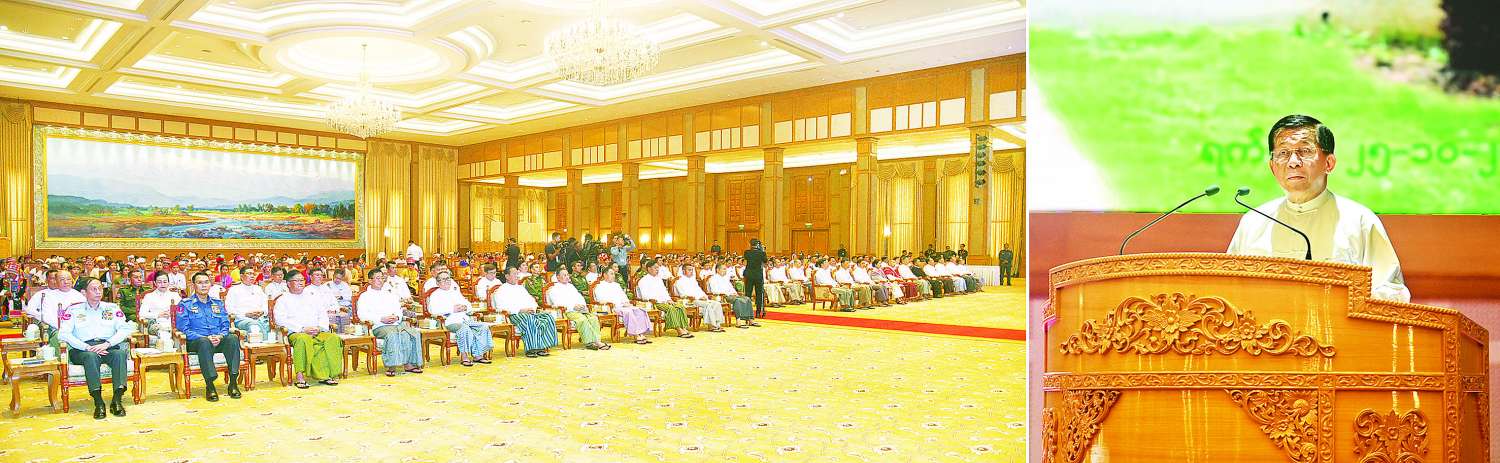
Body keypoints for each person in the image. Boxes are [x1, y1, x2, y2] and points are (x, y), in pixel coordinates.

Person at [1228, 114, 1410, 302]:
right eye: (1283, 153)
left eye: (1305, 151)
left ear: (1329, 163)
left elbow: (1392, 292)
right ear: (1272, 167)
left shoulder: (1359, 220)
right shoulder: (1254, 222)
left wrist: (1343, 302)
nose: (1293, 161)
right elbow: (1228, 288)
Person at [57, 277, 132, 419]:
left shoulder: (112, 308)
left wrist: (108, 343)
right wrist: (86, 347)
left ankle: (117, 400)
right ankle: (98, 402)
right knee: (91, 357)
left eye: (100, 288)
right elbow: (63, 334)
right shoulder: (73, 310)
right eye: (94, 289)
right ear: (84, 292)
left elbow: (125, 329)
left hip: (106, 346)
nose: (98, 292)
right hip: (82, 350)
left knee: (120, 354)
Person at [177, 271, 243, 402]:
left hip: (218, 339)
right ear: (193, 285)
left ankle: (233, 382)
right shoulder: (185, 304)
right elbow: (184, 328)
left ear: (210, 284)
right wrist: (205, 338)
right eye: (200, 283)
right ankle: (210, 385)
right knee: (204, 342)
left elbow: (225, 324)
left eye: (206, 282)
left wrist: (220, 336)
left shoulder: (217, 303)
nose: (203, 285)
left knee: (232, 338)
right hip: (197, 342)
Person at [274, 269, 343, 388]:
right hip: (296, 332)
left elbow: (322, 314)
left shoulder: (312, 297)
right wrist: (302, 329)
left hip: (316, 331)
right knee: (303, 339)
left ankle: (327, 374)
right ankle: (300, 376)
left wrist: (319, 327)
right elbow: (280, 320)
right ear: (288, 283)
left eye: (302, 280)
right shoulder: (283, 300)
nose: (301, 282)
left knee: (333, 338)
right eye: (297, 280)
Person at [356, 269, 423, 376]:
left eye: (382, 278)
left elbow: (398, 310)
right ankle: (392, 366)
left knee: (412, 333)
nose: (380, 280)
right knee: (393, 334)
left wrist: (397, 317)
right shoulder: (365, 296)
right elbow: (362, 315)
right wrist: (381, 318)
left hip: (395, 323)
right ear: (370, 280)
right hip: (378, 325)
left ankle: (409, 364)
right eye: (377, 278)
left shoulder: (389, 294)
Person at [426, 270, 493, 366]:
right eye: (443, 279)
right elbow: (433, 310)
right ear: (437, 282)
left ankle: (478, 355)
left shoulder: (455, 292)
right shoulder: (435, 295)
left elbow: (468, 304)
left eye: (448, 279)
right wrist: (452, 309)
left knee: (483, 326)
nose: (447, 281)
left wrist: (465, 307)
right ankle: (464, 357)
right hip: (449, 321)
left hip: (464, 319)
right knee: (464, 329)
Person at [490, 267, 559, 358]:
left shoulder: (521, 288)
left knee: (547, 317)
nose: (517, 276)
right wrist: (521, 310)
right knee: (530, 319)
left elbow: (531, 300)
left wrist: (532, 308)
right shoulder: (501, 290)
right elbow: (501, 307)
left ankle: (543, 346)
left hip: (529, 312)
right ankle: (531, 349)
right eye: (514, 274)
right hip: (515, 314)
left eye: (517, 274)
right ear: (507, 276)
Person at [543, 269, 609, 350]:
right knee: (582, 319)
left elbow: (580, 297)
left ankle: (597, 341)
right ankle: (590, 343)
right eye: (564, 275)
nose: (567, 277)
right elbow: (558, 303)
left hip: (580, 310)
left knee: (593, 318)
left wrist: (582, 305)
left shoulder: (571, 286)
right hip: (568, 311)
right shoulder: (554, 289)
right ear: (558, 277)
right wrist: (573, 306)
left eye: (567, 275)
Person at [592, 266, 653, 345]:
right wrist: (618, 304)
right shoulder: (600, 286)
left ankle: (641, 333)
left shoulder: (616, 285)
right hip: (612, 307)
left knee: (639, 310)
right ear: (605, 275)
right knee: (629, 312)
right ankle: (636, 335)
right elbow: (601, 300)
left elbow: (623, 296)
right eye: (611, 274)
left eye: (614, 274)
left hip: (623, 306)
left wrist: (626, 302)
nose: (614, 276)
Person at [635, 260, 694, 339]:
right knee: (671, 308)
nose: (657, 269)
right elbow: (644, 296)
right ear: (649, 268)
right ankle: (679, 330)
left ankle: (683, 327)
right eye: (655, 268)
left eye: (658, 268)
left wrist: (669, 300)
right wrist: (657, 300)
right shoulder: (643, 280)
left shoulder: (659, 279)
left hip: (665, 301)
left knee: (680, 306)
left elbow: (664, 292)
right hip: (655, 303)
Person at [674, 264, 726, 332]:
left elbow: (700, 290)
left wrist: (704, 296)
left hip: (701, 300)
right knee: (708, 305)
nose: (691, 271)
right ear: (683, 271)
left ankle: (717, 324)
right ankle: (712, 326)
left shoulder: (693, 280)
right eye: (689, 270)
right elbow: (683, 294)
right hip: (691, 300)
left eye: (692, 270)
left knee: (717, 304)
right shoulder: (679, 281)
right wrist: (698, 297)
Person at [226, 266, 271, 336]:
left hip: (260, 318)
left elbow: (265, 305)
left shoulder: (258, 289)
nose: (252, 276)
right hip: (242, 319)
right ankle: (263, 342)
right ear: (241, 276)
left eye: (253, 274)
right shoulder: (234, 290)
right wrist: (245, 314)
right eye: (249, 274)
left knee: (267, 325)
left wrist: (262, 312)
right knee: (254, 326)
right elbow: (229, 309)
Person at [741, 238, 769, 318]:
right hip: (758, 275)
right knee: (759, 294)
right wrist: (762, 250)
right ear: (758, 244)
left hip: (749, 275)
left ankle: (747, 312)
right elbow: (765, 261)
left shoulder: (747, 252)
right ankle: (758, 312)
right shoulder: (762, 253)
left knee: (748, 294)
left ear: (750, 244)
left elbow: (746, 261)